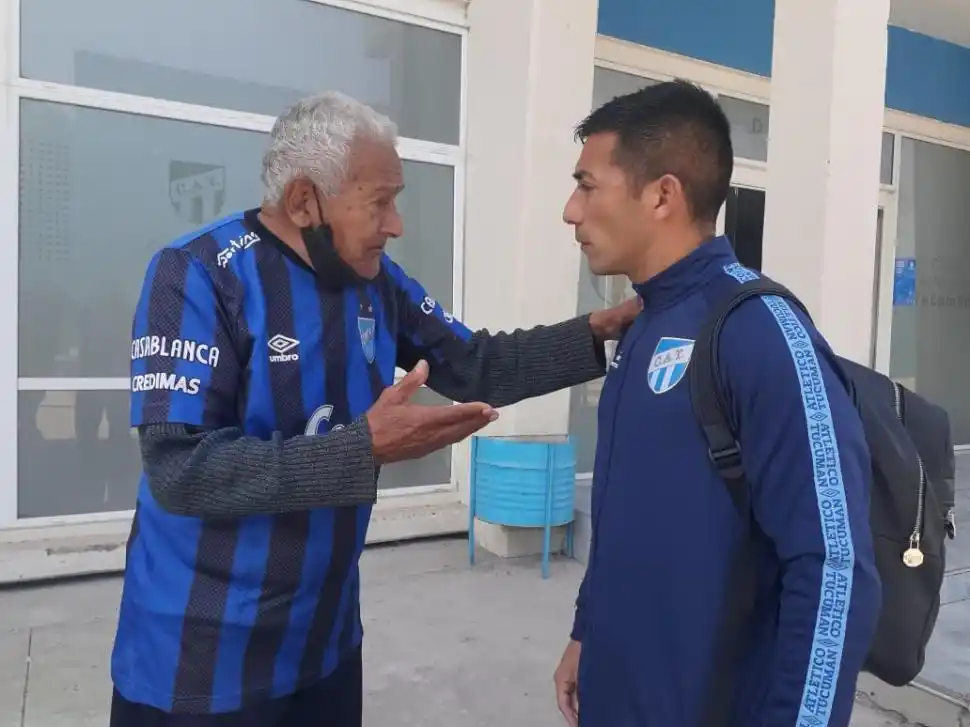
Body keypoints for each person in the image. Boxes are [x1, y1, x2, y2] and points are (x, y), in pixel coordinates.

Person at [111, 90, 639, 727]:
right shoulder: (196, 275)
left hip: (324, 644)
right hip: (201, 659)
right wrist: (362, 448)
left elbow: (476, 364)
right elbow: (180, 470)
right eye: (379, 202)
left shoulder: (379, 284)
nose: (396, 225)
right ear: (305, 201)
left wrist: (595, 332)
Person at [553, 80, 882, 727]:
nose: (570, 210)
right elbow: (628, 511)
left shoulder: (759, 330)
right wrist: (587, 632)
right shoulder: (641, 325)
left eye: (587, 184)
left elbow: (835, 565)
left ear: (662, 195)